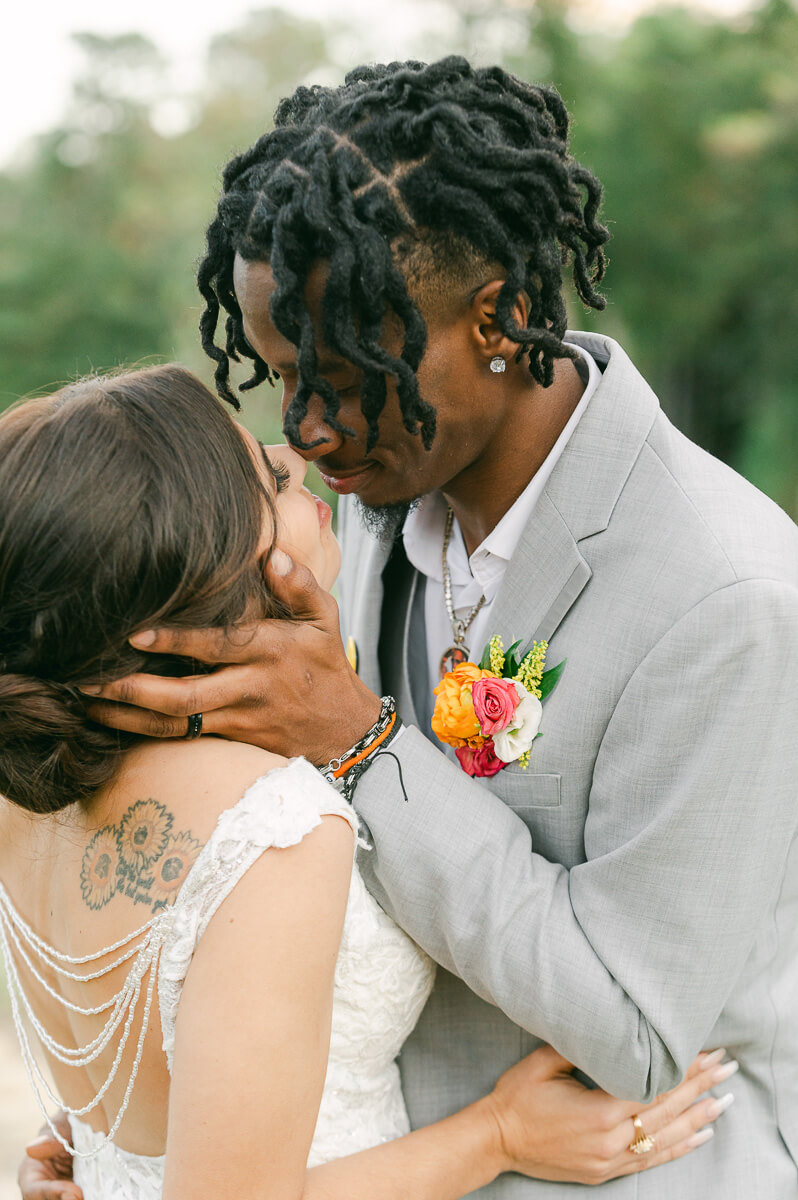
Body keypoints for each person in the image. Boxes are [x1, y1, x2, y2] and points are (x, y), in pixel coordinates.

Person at [20, 57, 798, 1197]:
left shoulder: (727, 600)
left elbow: (637, 1031)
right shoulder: (382, 499)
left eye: (349, 376)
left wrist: (362, 742)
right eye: (282, 378)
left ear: (504, 317)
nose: (311, 432)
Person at [2, 366, 723, 1200]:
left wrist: (102, 1158)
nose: (295, 455)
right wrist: (498, 1133)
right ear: (201, 560)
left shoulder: (30, 792)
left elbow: (145, 1097)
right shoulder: (272, 825)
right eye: (268, 478)